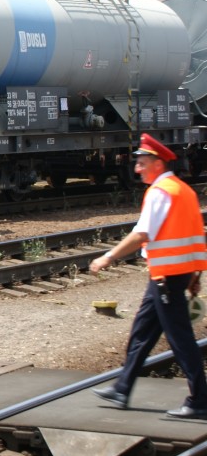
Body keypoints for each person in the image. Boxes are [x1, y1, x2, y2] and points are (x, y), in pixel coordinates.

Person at [89, 134, 207, 418]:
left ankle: (200, 400)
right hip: (173, 274)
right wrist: (196, 273)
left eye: (141, 163)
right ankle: (122, 387)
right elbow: (195, 235)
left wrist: (109, 256)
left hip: (167, 276)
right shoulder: (182, 190)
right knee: (142, 333)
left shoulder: (160, 192)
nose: (137, 169)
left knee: (180, 339)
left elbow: (142, 233)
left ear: (157, 162)